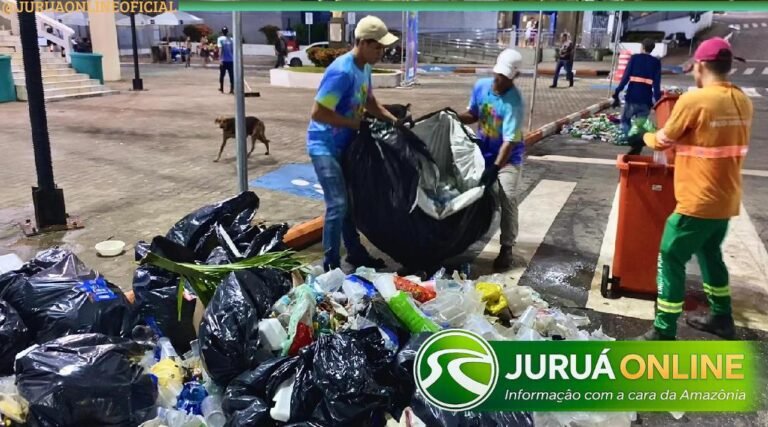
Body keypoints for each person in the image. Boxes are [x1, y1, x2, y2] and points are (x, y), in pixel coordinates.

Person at [633, 37, 752, 341]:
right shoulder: (742, 100)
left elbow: (663, 141)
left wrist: (644, 134)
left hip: (697, 201)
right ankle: (722, 317)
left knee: (670, 256)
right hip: (726, 200)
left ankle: (664, 330)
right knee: (710, 254)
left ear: (700, 66)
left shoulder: (695, 101)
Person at [307, 15, 402, 272]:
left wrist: (395, 121)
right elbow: (318, 113)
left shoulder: (364, 68)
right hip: (324, 145)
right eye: (378, 47)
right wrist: (356, 124)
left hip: (345, 145)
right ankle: (330, 266)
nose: (382, 52)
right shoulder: (342, 71)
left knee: (348, 203)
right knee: (337, 204)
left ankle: (355, 253)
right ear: (362, 42)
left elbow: (369, 101)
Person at [458, 49, 526, 270]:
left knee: (507, 196)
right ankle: (458, 237)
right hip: (483, 152)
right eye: (498, 75)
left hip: (508, 158)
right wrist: (453, 116)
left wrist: (496, 168)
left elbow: (509, 142)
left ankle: (507, 248)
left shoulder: (514, 102)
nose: (500, 80)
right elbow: (473, 114)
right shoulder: (481, 86)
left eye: (505, 77)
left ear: (514, 76)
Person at [612, 38, 662, 155]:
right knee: (640, 124)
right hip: (646, 100)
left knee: (625, 121)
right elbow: (657, 84)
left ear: (642, 47)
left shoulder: (634, 58)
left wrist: (617, 91)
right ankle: (637, 143)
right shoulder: (656, 62)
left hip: (632, 97)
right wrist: (658, 100)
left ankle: (633, 142)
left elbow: (625, 78)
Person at [217, 27, 234, 94]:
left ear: (222, 32)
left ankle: (221, 88)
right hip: (231, 60)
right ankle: (232, 89)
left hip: (223, 60)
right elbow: (233, 50)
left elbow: (220, 50)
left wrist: (220, 59)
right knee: (231, 75)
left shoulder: (220, 39)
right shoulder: (231, 39)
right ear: (227, 31)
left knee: (222, 75)